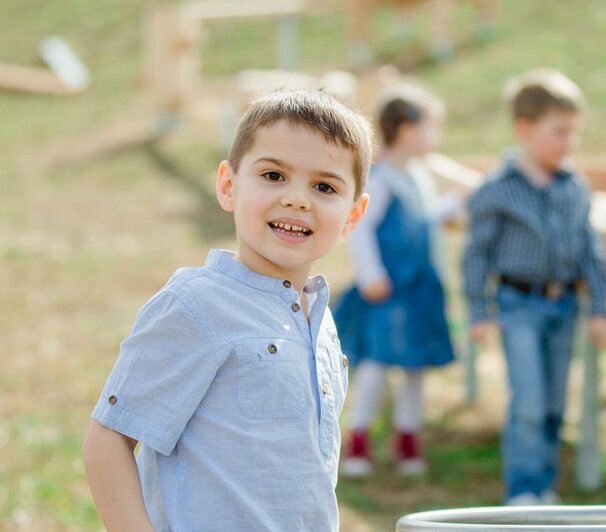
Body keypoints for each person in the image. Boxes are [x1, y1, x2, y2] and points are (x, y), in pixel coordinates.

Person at [82, 89, 374, 531]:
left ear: (353, 215)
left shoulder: (320, 320)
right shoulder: (197, 305)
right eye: (274, 175)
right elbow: (109, 439)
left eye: (324, 186)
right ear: (228, 186)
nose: (297, 198)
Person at [462, 69, 606, 505]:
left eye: (574, 133)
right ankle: (523, 489)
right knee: (527, 402)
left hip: (563, 306)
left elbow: (591, 250)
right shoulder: (497, 190)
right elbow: (476, 255)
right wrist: (479, 311)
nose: (568, 143)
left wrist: (601, 307)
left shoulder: (574, 187)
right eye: (559, 132)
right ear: (524, 129)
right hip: (518, 305)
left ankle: (545, 486)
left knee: (552, 405)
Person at [335, 84, 459, 477]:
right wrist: (371, 274)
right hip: (389, 289)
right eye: (429, 128)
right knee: (376, 362)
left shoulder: (418, 175)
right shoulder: (383, 178)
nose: (434, 137)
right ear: (406, 130)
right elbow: (360, 227)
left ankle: (408, 437)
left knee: (414, 365)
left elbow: (422, 218)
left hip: (419, 288)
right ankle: (359, 439)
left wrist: (452, 205)